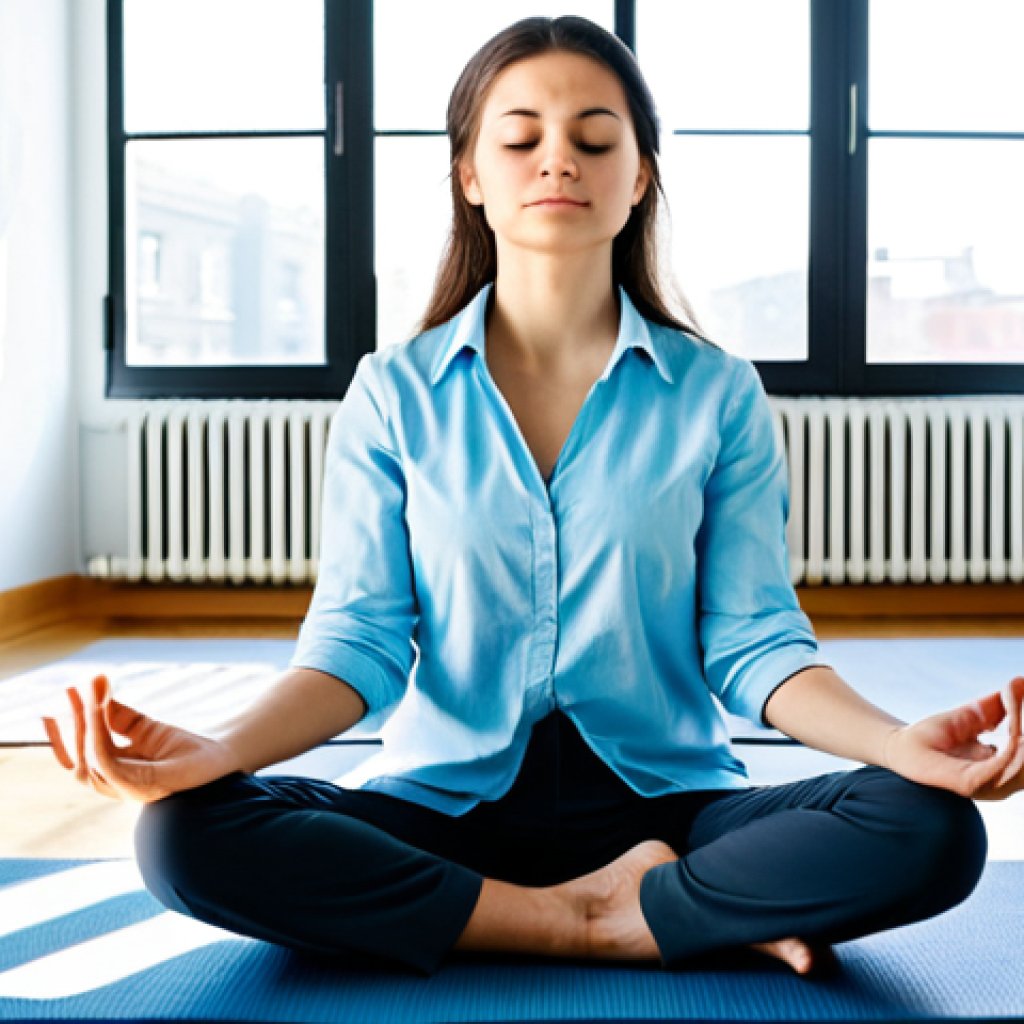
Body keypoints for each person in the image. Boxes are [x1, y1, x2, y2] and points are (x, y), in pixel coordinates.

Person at [45, 15, 1022, 981]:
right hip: (443, 809)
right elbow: (357, 648)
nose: (558, 159)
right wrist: (216, 748)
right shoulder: (393, 391)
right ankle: (611, 920)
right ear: (470, 174)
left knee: (927, 824)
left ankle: (585, 908)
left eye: (594, 139)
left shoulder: (717, 391)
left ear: (637, 178)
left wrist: (899, 741)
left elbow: (753, 642)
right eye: (519, 138)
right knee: (182, 834)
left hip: (670, 807)